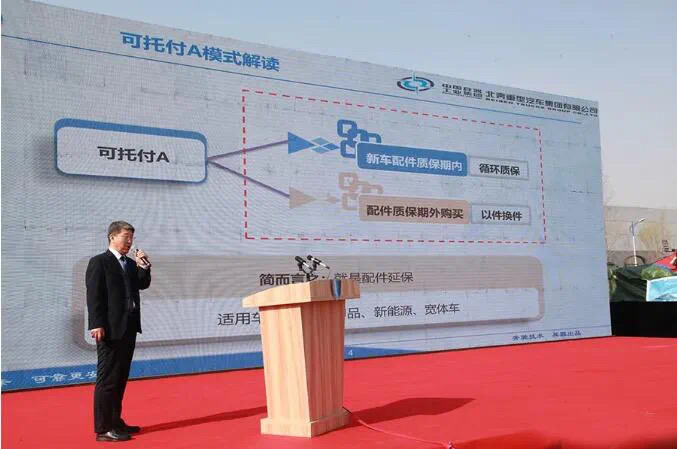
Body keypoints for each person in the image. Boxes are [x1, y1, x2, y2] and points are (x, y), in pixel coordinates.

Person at [86, 221, 151, 442]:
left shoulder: (129, 264)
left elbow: (142, 284)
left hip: (129, 327)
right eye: (125, 237)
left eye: (131, 237)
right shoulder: (99, 262)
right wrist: (96, 323)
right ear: (112, 237)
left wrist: (143, 267)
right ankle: (104, 428)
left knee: (120, 377)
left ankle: (115, 421)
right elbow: (94, 295)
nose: (129, 241)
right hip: (109, 329)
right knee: (107, 379)